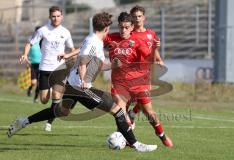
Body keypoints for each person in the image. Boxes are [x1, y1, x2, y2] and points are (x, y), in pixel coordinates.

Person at [7, 12, 157, 152]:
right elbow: (83, 62)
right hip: (81, 87)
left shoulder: (92, 39)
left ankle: (24, 121)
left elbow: (96, 63)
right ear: (106, 28)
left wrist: (113, 65)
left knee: (62, 111)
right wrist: (85, 80)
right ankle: (137, 144)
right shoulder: (94, 42)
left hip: (72, 85)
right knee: (118, 110)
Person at [20, 6, 75, 131]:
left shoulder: (66, 32)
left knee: (56, 95)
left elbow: (72, 49)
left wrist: (70, 58)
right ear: (50, 17)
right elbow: (30, 43)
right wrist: (25, 54)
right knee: (44, 100)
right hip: (44, 68)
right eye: (53, 16)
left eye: (58, 16)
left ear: (62, 17)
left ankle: (49, 122)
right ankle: (49, 93)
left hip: (59, 69)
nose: (56, 18)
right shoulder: (43, 30)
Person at [126, 5, 173, 148]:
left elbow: (153, 52)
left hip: (144, 77)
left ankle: (162, 136)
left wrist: (159, 59)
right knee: (121, 112)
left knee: (148, 111)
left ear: (144, 18)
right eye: (134, 16)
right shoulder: (127, 34)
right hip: (128, 77)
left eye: (139, 16)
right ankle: (125, 138)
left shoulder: (151, 34)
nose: (137, 19)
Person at [26, 26, 42, 103]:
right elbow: (28, 48)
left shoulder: (44, 40)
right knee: (33, 82)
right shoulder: (31, 39)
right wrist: (27, 59)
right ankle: (30, 89)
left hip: (42, 65)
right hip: (33, 64)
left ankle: (36, 98)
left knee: (39, 83)